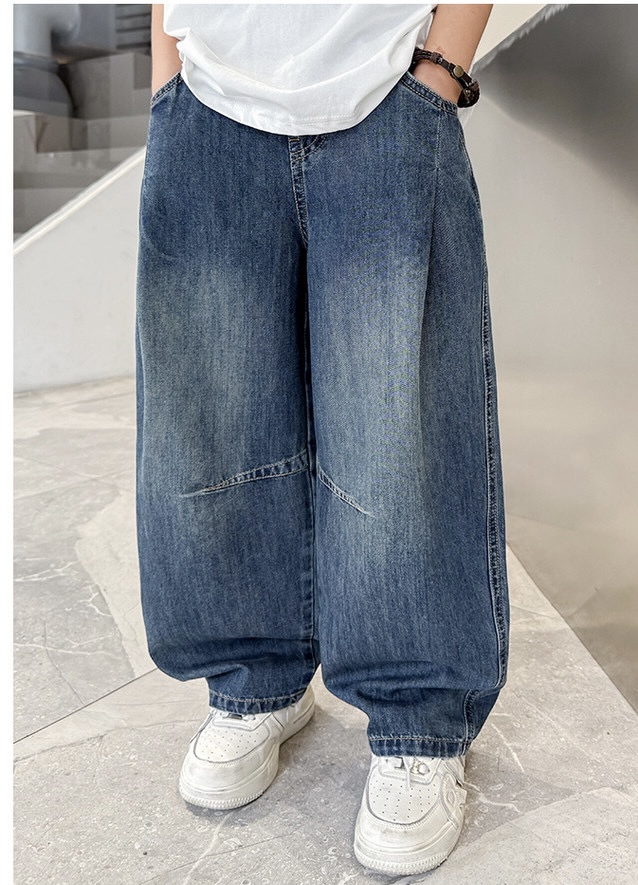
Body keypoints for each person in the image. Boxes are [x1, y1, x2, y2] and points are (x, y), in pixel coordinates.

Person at [136, 3, 509, 875]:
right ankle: (252, 675)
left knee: (398, 429)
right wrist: (166, 75)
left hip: (388, 91)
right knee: (212, 422)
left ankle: (419, 718)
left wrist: (439, 72)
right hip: (205, 98)